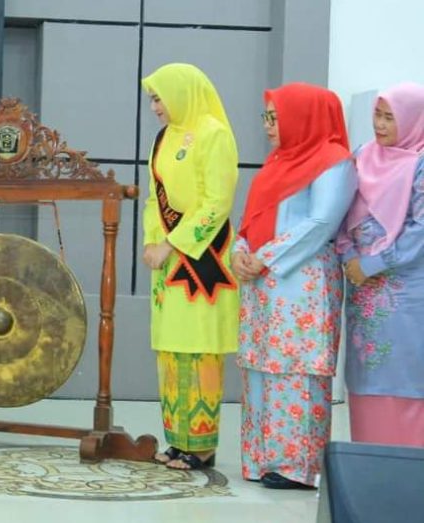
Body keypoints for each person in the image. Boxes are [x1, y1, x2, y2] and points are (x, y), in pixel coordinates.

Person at [234, 83, 355, 489]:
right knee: (260, 367)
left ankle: (296, 467)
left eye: (276, 117)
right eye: (266, 117)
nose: (269, 126)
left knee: (296, 370)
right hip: (262, 283)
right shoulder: (276, 163)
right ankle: (261, 459)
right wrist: (239, 251)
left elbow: (322, 223)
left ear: (303, 117)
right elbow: (252, 219)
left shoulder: (334, 162)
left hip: (302, 284)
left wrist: (264, 257)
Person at [141, 63, 239, 471]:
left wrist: (173, 243)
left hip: (202, 260)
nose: (155, 108)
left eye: (159, 98)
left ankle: (201, 446)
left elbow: (217, 202)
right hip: (166, 259)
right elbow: (152, 196)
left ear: (182, 93)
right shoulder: (164, 138)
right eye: (153, 99)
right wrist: (151, 240)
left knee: (199, 350)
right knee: (171, 350)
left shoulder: (214, 134)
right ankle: (178, 441)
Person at [337, 82, 424, 448]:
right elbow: (341, 218)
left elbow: (420, 231)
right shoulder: (363, 156)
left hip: (405, 296)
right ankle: (367, 473)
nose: (381, 124)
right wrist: (348, 257)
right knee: (364, 380)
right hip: (362, 293)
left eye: (390, 117)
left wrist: (372, 264)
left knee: (404, 379)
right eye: (377, 114)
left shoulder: (419, 165)